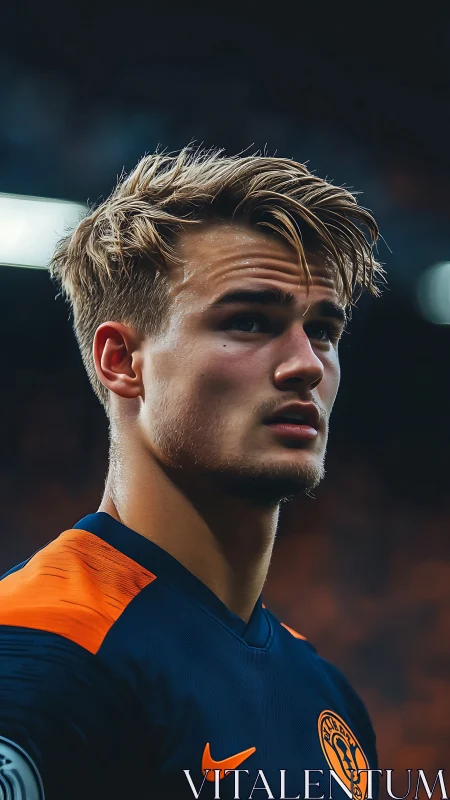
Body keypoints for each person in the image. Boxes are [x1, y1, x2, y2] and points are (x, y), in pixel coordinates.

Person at [0, 148, 384, 800]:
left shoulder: (327, 696)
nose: (307, 365)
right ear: (122, 361)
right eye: (249, 322)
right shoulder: (40, 650)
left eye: (322, 330)